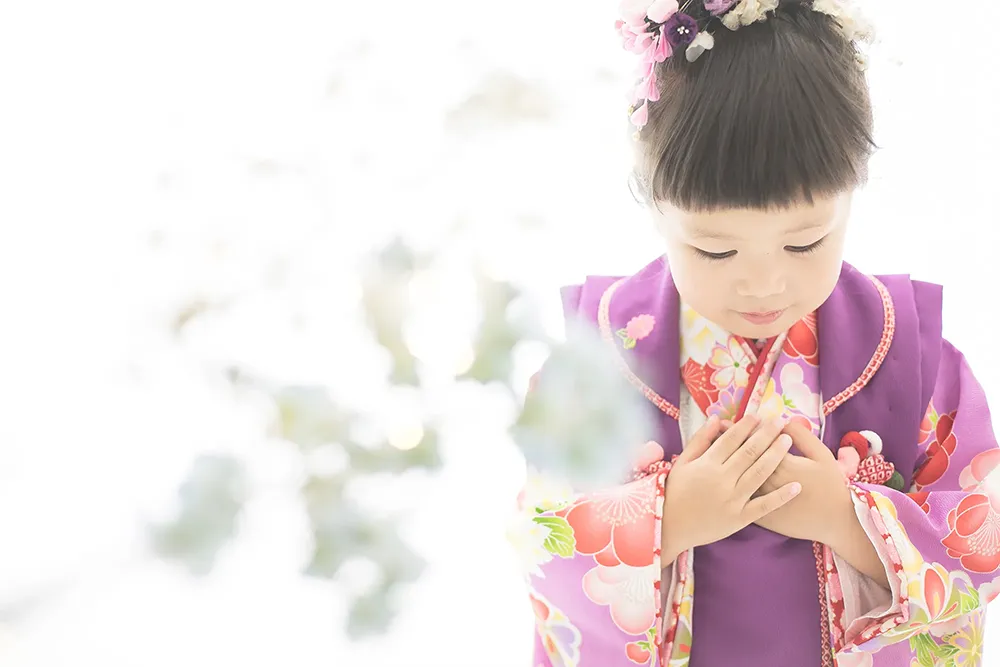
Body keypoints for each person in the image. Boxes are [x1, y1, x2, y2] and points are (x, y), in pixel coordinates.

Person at [508, 1, 1000, 666]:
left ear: (852, 191)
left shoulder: (910, 354)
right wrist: (670, 518)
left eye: (805, 242)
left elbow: (982, 538)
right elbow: (542, 544)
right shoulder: (594, 361)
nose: (764, 284)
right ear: (655, 206)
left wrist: (848, 520)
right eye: (716, 250)